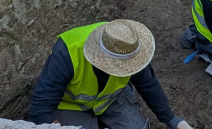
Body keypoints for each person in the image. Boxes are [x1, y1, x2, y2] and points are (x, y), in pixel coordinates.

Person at [30, 19, 193, 129]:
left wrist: (172, 120)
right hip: (70, 106)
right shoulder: (67, 52)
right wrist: (52, 124)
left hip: (111, 98)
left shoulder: (129, 47)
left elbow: (148, 85)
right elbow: (42, 106)